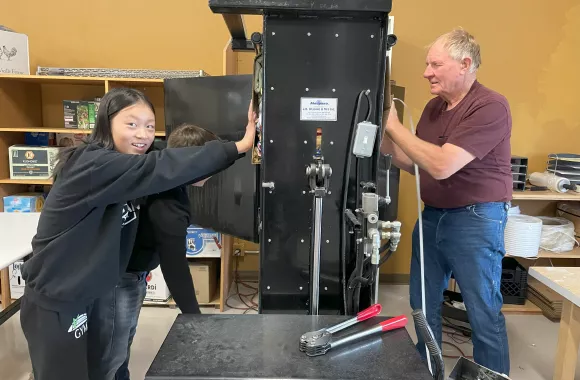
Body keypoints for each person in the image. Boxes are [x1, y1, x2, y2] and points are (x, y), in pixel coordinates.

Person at [20, 87, 256, 380]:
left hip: (87, 293)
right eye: (131, 124)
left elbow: (169, 159)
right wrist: (241, 145)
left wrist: (244, 149)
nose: (142, 134)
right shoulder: (94, 165)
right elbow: (163, 164)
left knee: (101, 368)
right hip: (57, 298)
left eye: (149, 126)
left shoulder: (125, 165)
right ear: (107, 123)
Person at [381, 29, 512, 375]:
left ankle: (491, 377)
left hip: (476, 219)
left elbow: (441, 164)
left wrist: (396, 129)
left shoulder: (490, 106)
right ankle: (428, 371)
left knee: (482, 310)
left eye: (435, 64)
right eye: (427, 64)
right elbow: (415, 164)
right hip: (433, 217)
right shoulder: (433, 108)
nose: (427, 72)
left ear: (465, 64)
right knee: (422, 304)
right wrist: (382, 139)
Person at [105, 124, 222, 380]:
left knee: (119, 346)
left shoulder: (157, 161)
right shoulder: (169, 205)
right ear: (193, 162)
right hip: (120, 277)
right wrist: (195, 317)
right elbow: (175, 267)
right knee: (113, 352)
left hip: (125, 268)